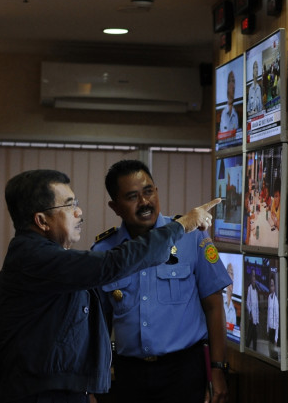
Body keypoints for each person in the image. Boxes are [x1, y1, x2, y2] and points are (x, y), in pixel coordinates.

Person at [0, 169, 218, 403]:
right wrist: (181, 226)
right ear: (41, 220)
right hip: (43, 392)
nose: (79, 212)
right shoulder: (34, 257)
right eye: (69, 206)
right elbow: (112, 264)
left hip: (177, 373)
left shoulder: (45, 254)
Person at [92, 160, 231, 403]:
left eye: (148, 192)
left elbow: (214, 305)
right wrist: (93, 379)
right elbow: (99, 324)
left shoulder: (192, 237)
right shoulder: (105, 251)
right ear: (115, 206)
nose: (144, 202)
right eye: (132, 196)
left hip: (184, 371)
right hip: (128, 374)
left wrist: (218, 369)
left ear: (156, 192)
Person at [218, 70, 239, 138]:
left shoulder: (236, 114)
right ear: (227, 85)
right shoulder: (223, 113)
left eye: (234, 81)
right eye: (230, 81)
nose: (233, 85)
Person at [245, 269, 259, 350]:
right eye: (253, 276)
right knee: (252, 335)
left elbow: (257, 306)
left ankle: (253, 349)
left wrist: (257, 320)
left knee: (253, 335)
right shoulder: (249, 289)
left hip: (255, 319)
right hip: (251, 318)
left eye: (255, 277)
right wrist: (250, 314)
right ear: (251, 278)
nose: (254, 278)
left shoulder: (256, 291)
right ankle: (250, 348)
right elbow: (248, 303)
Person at [266, 275, 279, 360]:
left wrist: (276, 337)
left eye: (273, 285)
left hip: (274, 330)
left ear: (275, 286)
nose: (271, 287)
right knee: (270, 351)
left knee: (274, 354)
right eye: (270, 285)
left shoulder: (276, 300)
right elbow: (268, 314)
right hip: (270, 329)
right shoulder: (269, 298)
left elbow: (277, 319)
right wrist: (267, 328)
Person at [224, 263, 237, 330]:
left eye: (233, 275)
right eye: (231, 273)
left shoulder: (233, 310)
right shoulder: (219, 301)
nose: (232, 279)